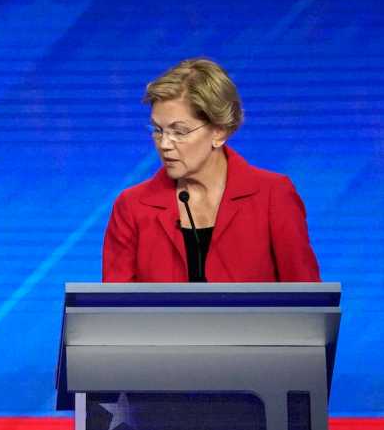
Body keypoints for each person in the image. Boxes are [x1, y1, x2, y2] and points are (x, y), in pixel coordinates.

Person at [102, 57, 320, 283]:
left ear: (219, 132)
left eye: (179, 131)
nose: (164, 144)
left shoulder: (273, 195)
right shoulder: (132, 207)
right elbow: (115, 310)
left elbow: (307, 303)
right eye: (158, 130)